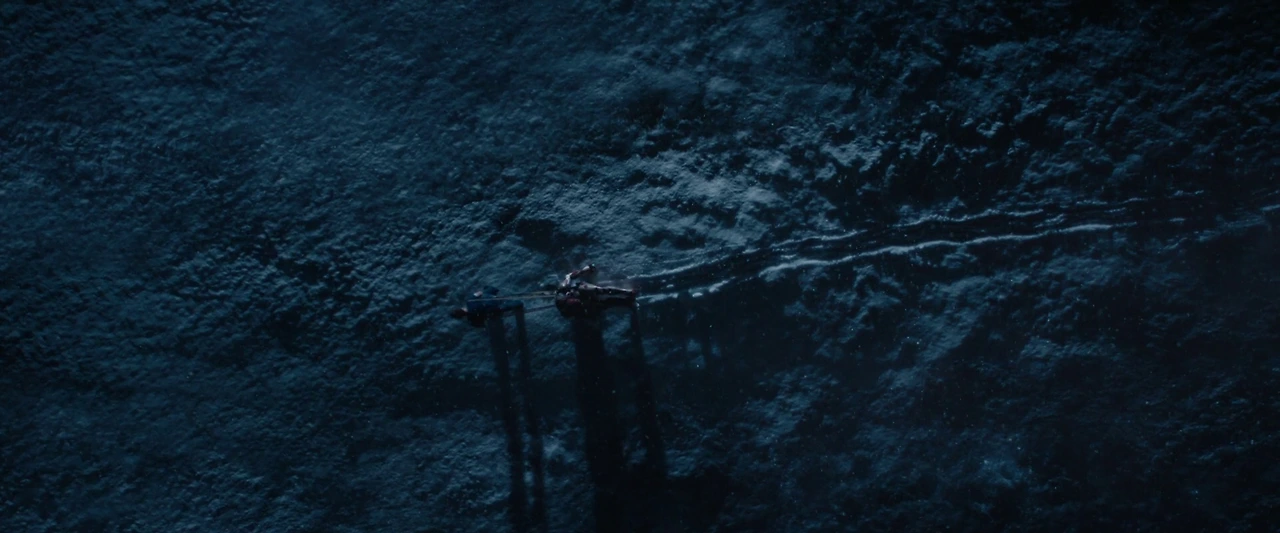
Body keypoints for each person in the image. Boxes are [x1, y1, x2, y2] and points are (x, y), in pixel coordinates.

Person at [555, 263, 637, 318]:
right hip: (581, 303)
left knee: (599, 290)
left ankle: (627, 292)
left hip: (578, 290)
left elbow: (570, 276)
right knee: (602, 304)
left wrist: (585, 270)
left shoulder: (564, 287)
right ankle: (625, 302)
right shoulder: (568, 312)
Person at [451, 287, 524, 327]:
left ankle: (518, 303)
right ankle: (495, 290)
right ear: (461, 308)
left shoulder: (472, 320)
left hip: (496, 308)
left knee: (514, 305)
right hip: (490, 298)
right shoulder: (469, 300)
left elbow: (484, 324)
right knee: (487, 288)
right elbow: (479, 293)